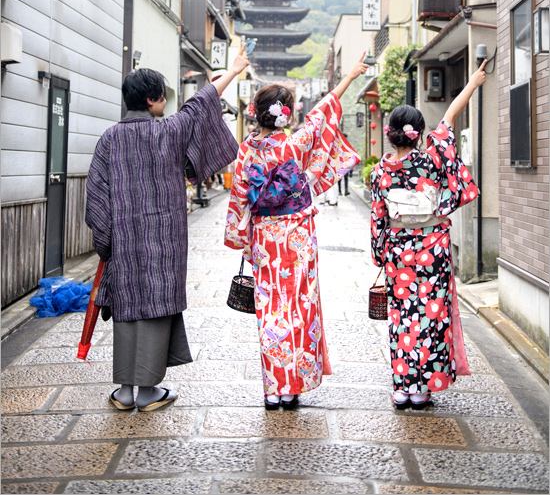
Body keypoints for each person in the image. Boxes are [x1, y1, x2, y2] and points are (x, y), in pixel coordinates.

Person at [85, 49, 248, 412]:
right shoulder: (170, 132)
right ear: (152, 100)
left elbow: (95, 194)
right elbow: (202, 101)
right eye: (162, 95)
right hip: (165, 242)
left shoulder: (109, 140)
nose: (166, 101)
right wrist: (233, 71)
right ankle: (147, 393)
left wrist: (106, 243)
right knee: (157, 305)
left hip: (124, 243)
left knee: (128, 307)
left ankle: (125, 392)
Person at [225, 56, 368, 410]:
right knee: (300, 306)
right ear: (286, 114)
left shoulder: (246, 151)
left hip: (264, 237)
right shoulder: (295, 144)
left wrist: (242, 240)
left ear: (257, 113)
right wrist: (349, 73)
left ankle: (273, 388)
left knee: (270, 308)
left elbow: (240, 199)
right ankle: (292, 387)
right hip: (298, 233)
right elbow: (323, 114)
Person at [370, 61, 487, 410]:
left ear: (390, 133)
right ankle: (422, 388)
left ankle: (401, 386)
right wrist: (474, 82)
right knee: (430, 315)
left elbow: (378, 218)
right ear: (417, 134)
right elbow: (449, 118)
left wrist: (381, 252)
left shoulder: (379, 172)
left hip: (399, 253)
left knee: (402, 315)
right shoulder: (432, 159)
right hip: (433, 249)